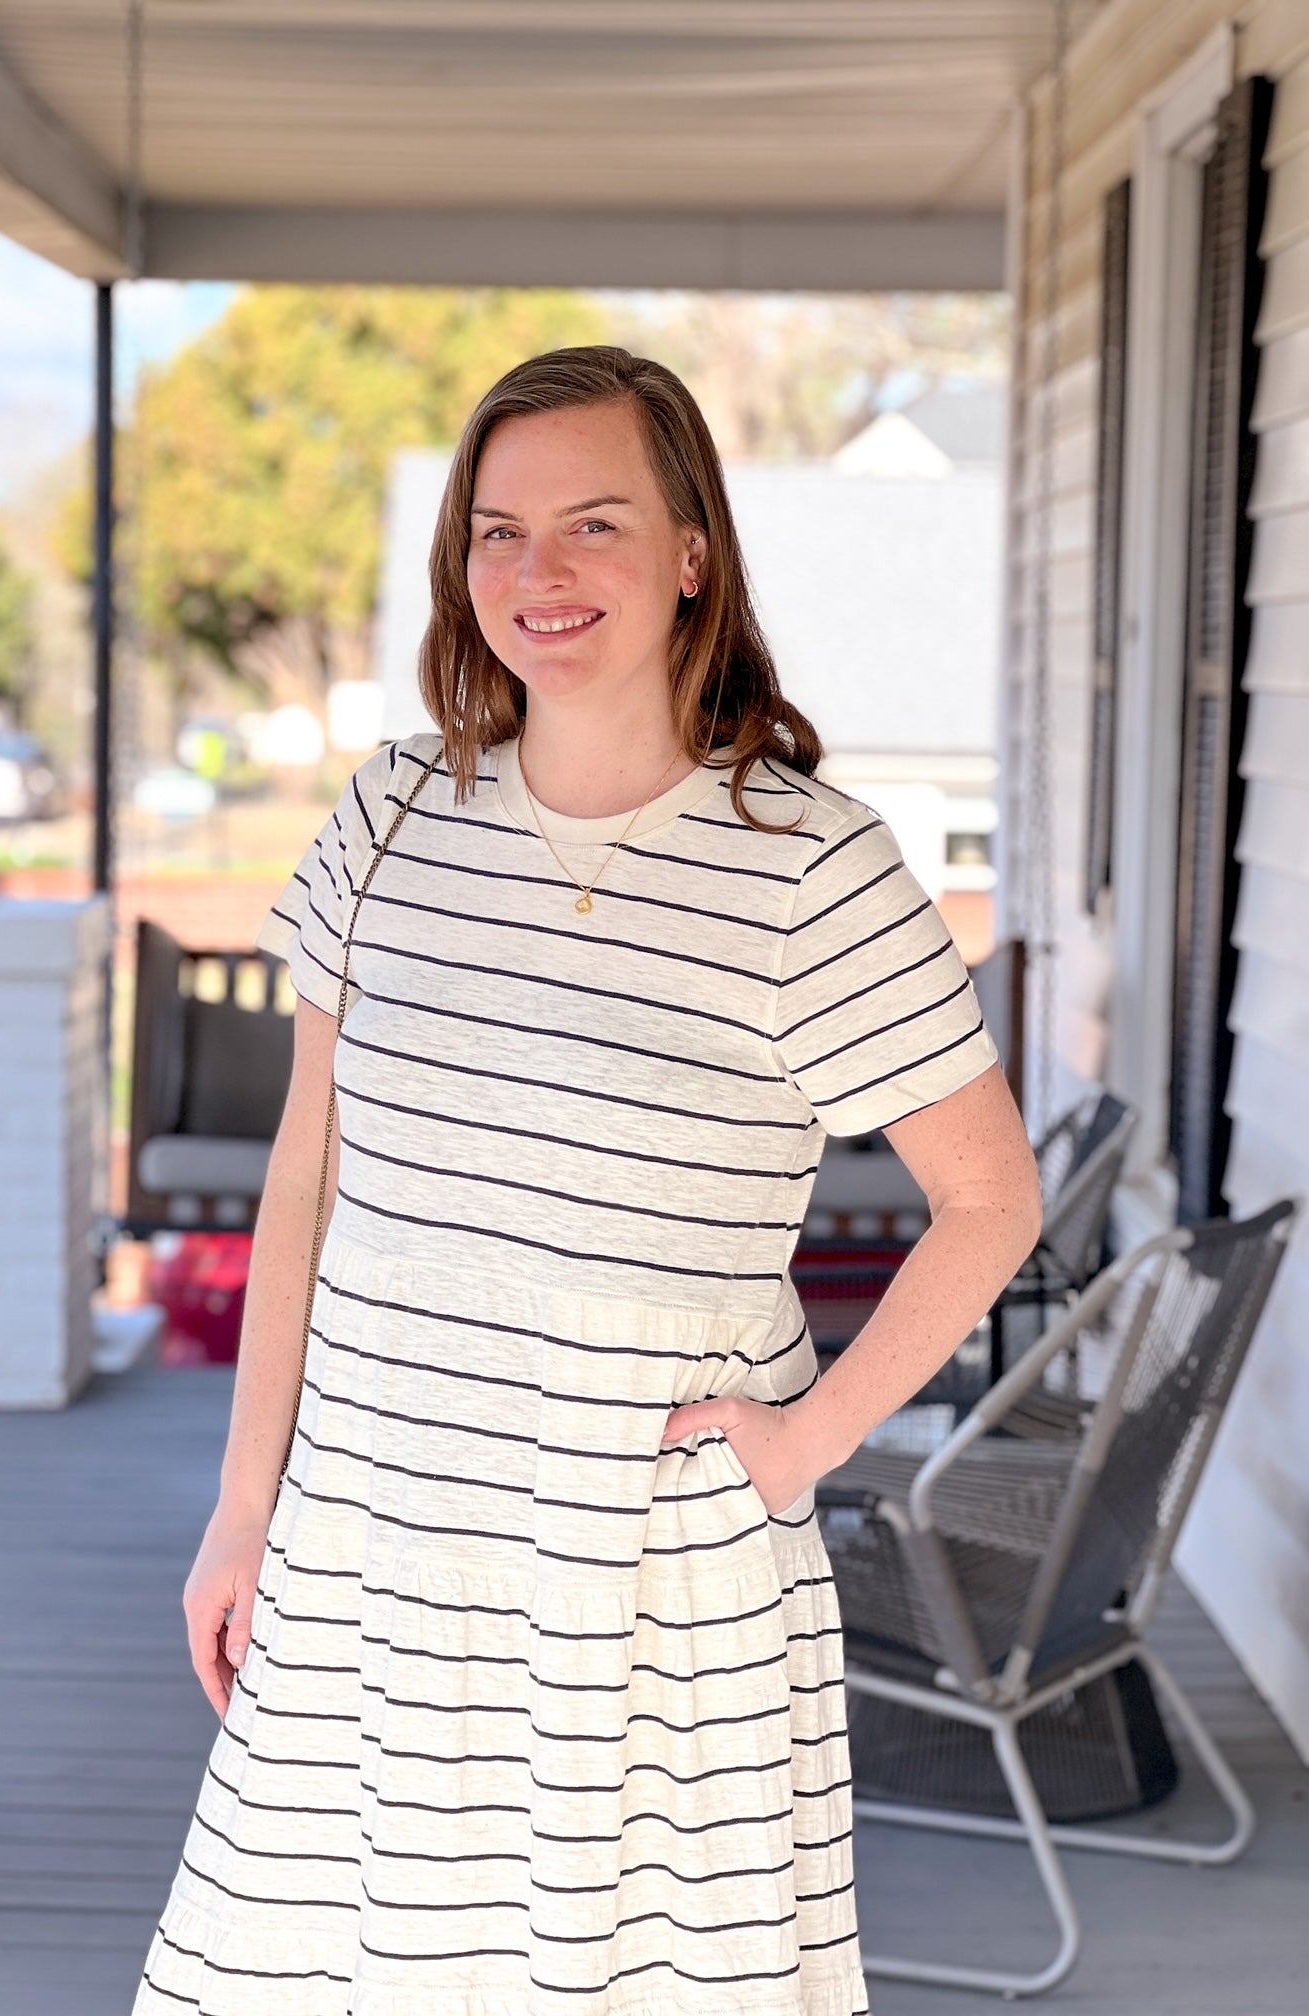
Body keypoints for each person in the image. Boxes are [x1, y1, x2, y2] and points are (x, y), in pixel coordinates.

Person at [133, 346, 1043, 2016]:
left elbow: (993, 1202)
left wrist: (806, 1442)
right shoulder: (395, 816)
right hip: (374, 1550)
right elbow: (303, 1189)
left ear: (692, 547)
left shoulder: (812, 866)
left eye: (592, 525)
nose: (536, 576)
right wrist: (244, 1507)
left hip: (646, 1583)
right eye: (497, 532)